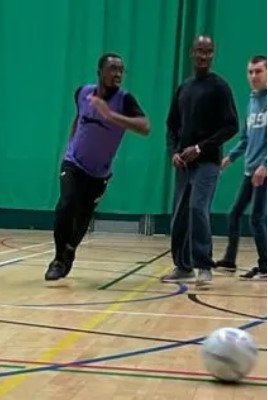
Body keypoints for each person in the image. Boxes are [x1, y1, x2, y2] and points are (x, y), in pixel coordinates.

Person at [44, 53, 151, 281]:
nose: (118, 74)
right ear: (100, 71)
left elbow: (145, 127)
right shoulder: (82, 93)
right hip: (74, 162)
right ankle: (58, 258)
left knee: (84, 214)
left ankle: (70, 251)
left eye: (121, 70)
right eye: (113, 69)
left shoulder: (125, 101)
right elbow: (79, 118)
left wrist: (110, 115)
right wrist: (69, 145)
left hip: (99, 171)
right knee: (66, 204)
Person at [162, 35, 239, 285]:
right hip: (184, 165)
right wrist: (174, 151)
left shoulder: (220, 87)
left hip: (207, 163)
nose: (203, 56)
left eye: (208, 51)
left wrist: (200, 147)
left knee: (197, 208)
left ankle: (204, 265)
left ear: (213, 54)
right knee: (180, 215)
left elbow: (231, 126)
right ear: (191, 53)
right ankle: (183, 266)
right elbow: (172, 124)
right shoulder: (184, 88)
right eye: (199, 51)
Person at [215, 55, 267, 280]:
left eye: (258, 71)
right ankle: (229, 260)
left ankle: (265, 267)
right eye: (250, 72)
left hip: (263, 171)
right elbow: (246, 138)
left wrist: (265, 165)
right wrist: (230, 157)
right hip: (250, 169)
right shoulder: (252, 101)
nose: (254, 76)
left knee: (256, 218)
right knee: (234, 214)